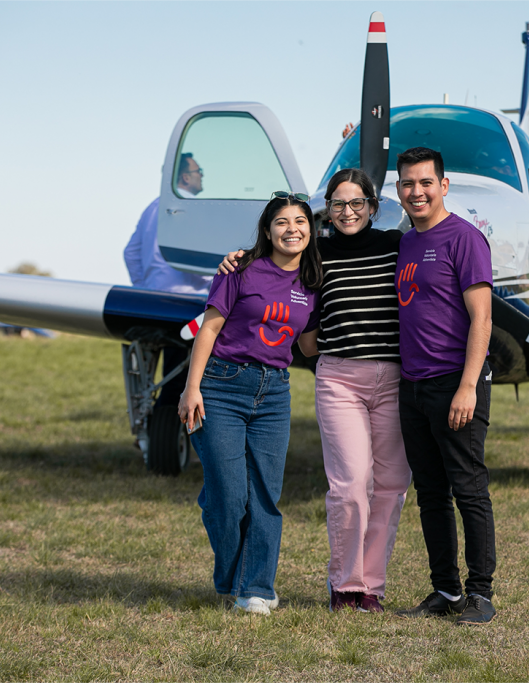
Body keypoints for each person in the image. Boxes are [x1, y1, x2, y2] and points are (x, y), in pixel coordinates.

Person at [220, 169, 413, 614]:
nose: (348, 212)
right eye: (339, 205)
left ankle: (372, 588)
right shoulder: (315, 255)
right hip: (339, 378)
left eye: (357, 204)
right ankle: (345, 586)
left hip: (394, 379)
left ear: (373, 206)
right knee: (349, 486)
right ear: (328, 209)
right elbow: (272, 270)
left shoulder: (395, 247)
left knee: (390, 486)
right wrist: (237, 258)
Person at [178, 192, 322, 616]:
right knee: (228, 495)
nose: (292, 229)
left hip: (274, 391)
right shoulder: (240, 268)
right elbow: (209, 329)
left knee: (264, 495)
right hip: (221, 384)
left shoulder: (312, 284)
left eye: (300, 221)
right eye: (282, 222)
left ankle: (255, 588)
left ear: (310, 231)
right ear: (267, 230)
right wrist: (192, 388)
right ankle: (235, 573)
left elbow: (309, 346)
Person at [391, 147, 497, 626]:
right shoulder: (405, 242)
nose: (417, 192)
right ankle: (445, 589)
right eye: (408, 184)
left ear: (444, 185)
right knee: (431, 493)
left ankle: (480, 593)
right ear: (398, 190)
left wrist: (468, 386)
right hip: (411, 386)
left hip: (455, 383)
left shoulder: (465, 239)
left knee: (468, 487)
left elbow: (482, 318)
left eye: (425, 183)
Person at [123, 197, 212, 294]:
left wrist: (142, 288)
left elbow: (131, 253)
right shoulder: (194, 206)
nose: (201, 180)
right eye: (198, 179)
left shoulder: (153, 206)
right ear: (186, 180)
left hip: (152, 292)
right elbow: (196, 258)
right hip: (189, 296)